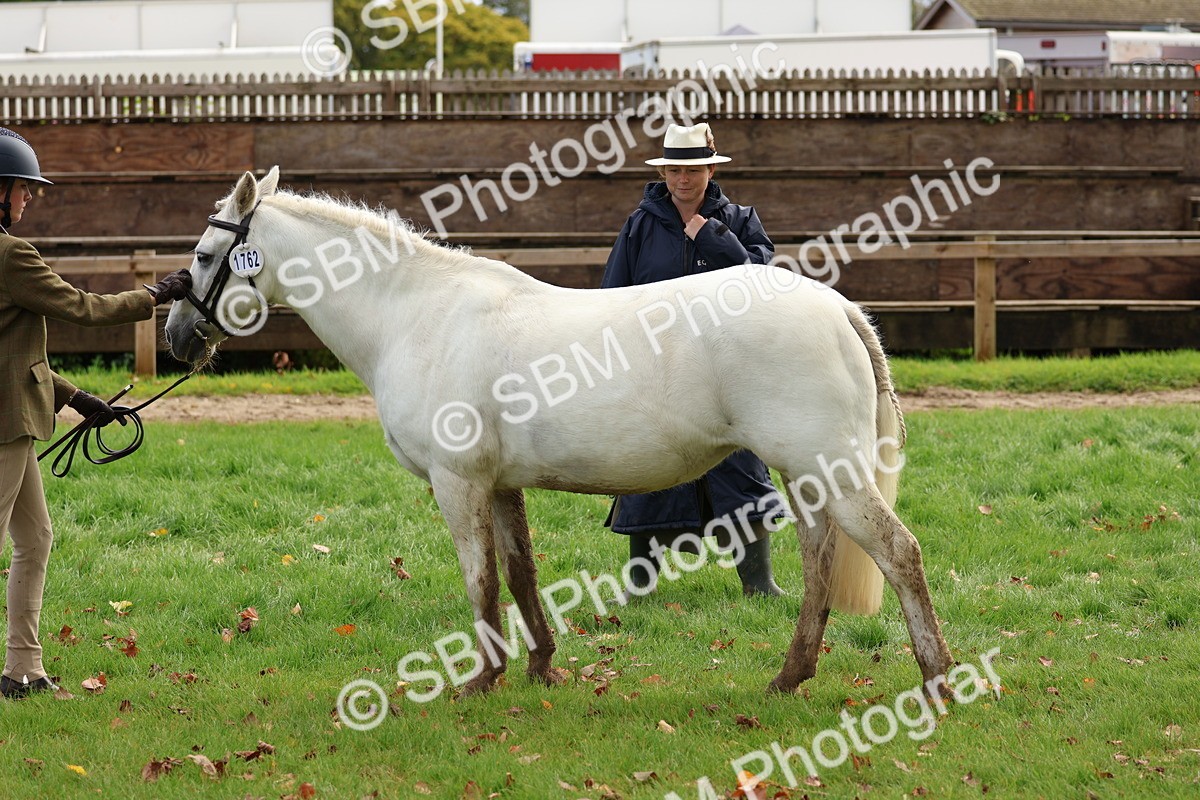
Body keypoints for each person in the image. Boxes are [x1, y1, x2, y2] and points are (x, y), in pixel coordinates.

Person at [0, 127, 192, 698]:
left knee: (35, 539)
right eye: (22, 187)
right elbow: (83, 309)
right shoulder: (11, 255)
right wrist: (157, 295)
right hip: (5, 426)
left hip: (16, 414)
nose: (29, 196)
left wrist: (77, 399)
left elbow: (14, 356)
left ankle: (22, 670)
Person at [601, 122, 785, 598]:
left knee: (739, 467)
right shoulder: (640, 224)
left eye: (693, 168)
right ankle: (640, 583)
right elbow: (613, 296)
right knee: (648, 466)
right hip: (656, 370)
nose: (684, 179)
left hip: (726, 372)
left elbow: (761, 285)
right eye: (675, 169)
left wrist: (713, 236)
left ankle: (759, 584)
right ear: (665, 172)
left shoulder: (741, 220)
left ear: (710, 168)